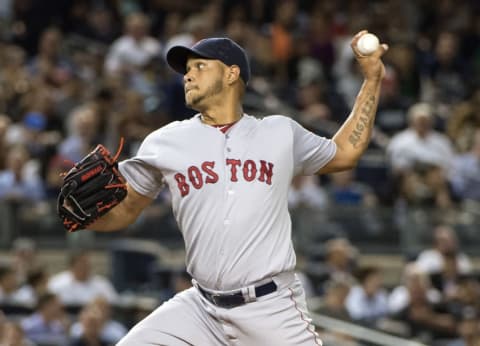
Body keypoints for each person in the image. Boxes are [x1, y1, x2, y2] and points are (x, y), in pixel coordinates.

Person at [83, 32, 387, 345]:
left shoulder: (279, 132)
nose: (188, 74)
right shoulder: (164, 142)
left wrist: (372, 79)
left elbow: (345, 152)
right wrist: (86, 218)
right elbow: (126, 210)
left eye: (200, 66)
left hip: (270, 307)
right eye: (187, 69)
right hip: (200, 308)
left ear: (231, 73)